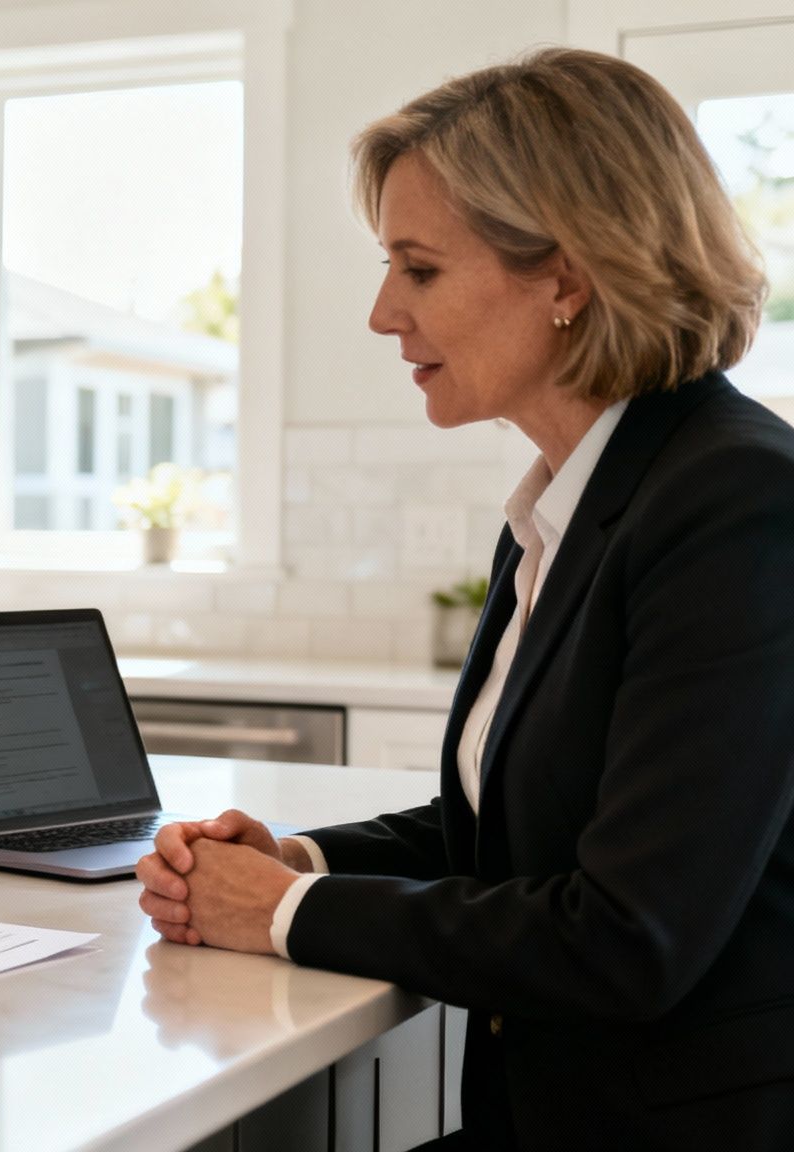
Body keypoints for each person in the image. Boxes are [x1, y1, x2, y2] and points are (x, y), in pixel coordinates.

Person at [137, 48, 794, 1148]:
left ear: (567, 278)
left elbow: (627, 936)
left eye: (419, 269)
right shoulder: (568, 503)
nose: (381, 313)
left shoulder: (738, 503)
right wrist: (299, 858)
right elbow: (503, 834)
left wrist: (284, 916)